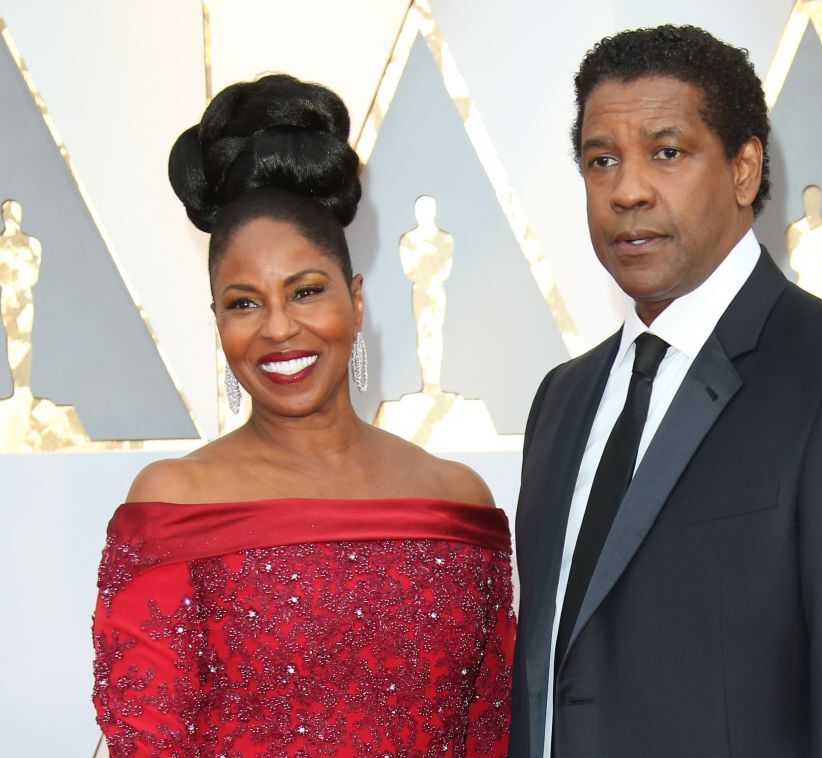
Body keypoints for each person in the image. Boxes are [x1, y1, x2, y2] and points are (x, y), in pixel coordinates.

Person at [510, 25, 822, 758]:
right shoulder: (562, 401)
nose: (627, 190)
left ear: (745, 169)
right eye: (601, 161)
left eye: (667, 152)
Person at [91, 74, 514, 757]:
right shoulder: (173, 503)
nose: (279, 329)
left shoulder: (457, 499)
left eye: (306, 291)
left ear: (355, 298)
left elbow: (491, 734)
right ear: (217, 322)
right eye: (244, 302)